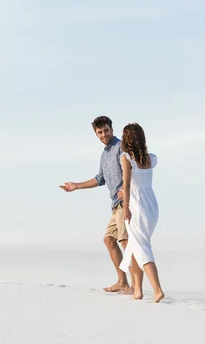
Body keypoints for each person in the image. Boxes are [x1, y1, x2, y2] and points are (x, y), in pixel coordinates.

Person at [59, 116, 134, 294]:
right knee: (109, 240)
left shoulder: (121, 147)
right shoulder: (105, 154)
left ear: (112, 129)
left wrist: (126, 190)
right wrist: (76, 186)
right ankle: (122, 282)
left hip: (125, 202)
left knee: (126, 242)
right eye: (99, 132)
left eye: (106, 130)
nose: (103, 134)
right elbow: (100, 179)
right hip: (115, 205)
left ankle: (135, 286)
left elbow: (132, 171)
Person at [118, 122, 165, 302]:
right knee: (134, 246)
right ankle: (137, 290)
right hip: (151, 205)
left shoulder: (126, 158)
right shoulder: (150, 158)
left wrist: (126, 206)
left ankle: (157, 289)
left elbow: (128, 184)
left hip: (137, 205)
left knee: (142, 247)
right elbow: (138, 181)